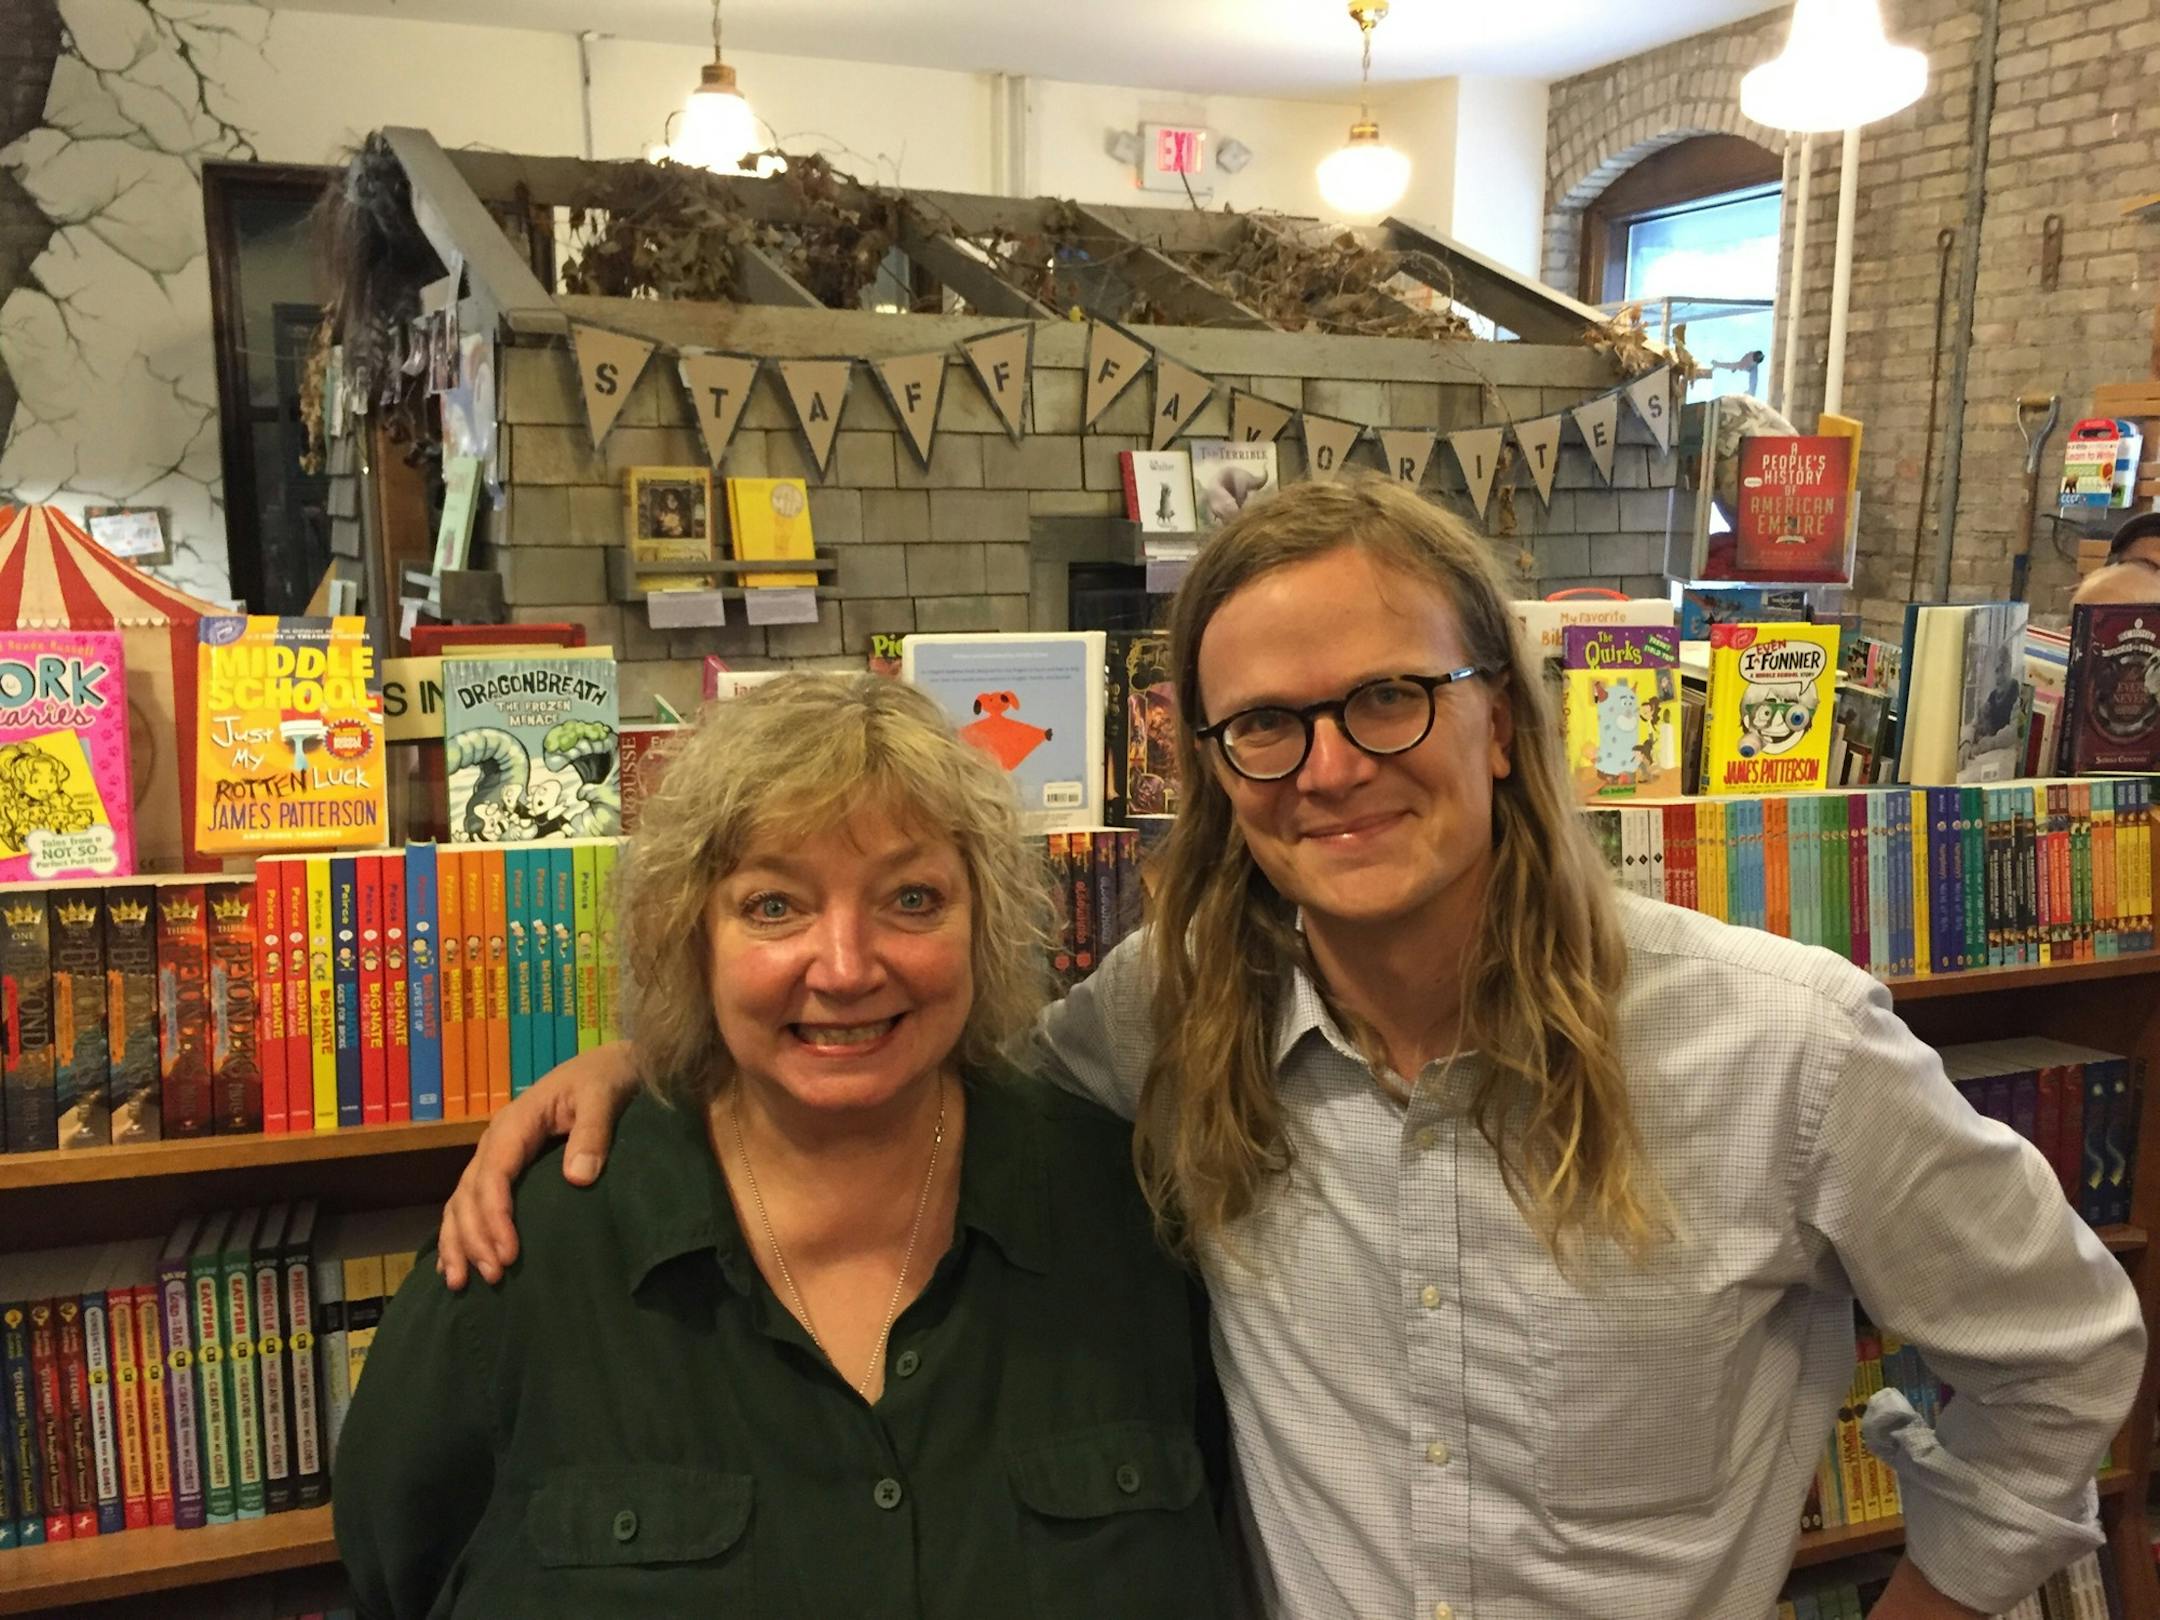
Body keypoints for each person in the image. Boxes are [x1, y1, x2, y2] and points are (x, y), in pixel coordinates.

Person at [441, 478, 2145, 1620]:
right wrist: (655, 1075)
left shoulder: (1786, 1049)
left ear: (1500, 716)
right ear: (1211, 765)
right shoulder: (1168, 1024)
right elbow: (890, 1039)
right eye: (1266, 725)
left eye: (1387, 698)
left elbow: (2062, 1354)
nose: (1329, 768)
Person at [336, 675, 1235, 1618]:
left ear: (986, 927)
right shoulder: (531, 1254)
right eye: (774, 907)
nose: (846, 967)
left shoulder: (1130, 1220)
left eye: (913, 898)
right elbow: (396, 1566)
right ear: (691, 936)